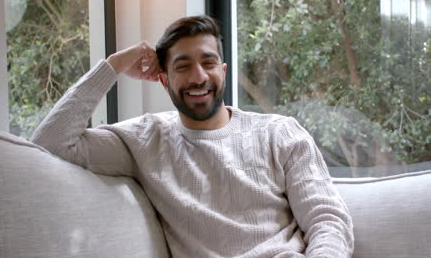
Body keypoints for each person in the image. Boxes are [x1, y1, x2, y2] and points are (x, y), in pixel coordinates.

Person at [32, 15, 354, 257]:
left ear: (223, 71)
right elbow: (50, 141)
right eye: (183, 66)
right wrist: (114, 66)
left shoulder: (280, 133)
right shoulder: (145, 139)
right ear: (164, 80)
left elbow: (328, 220)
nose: (198, 76)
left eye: (208, 62)